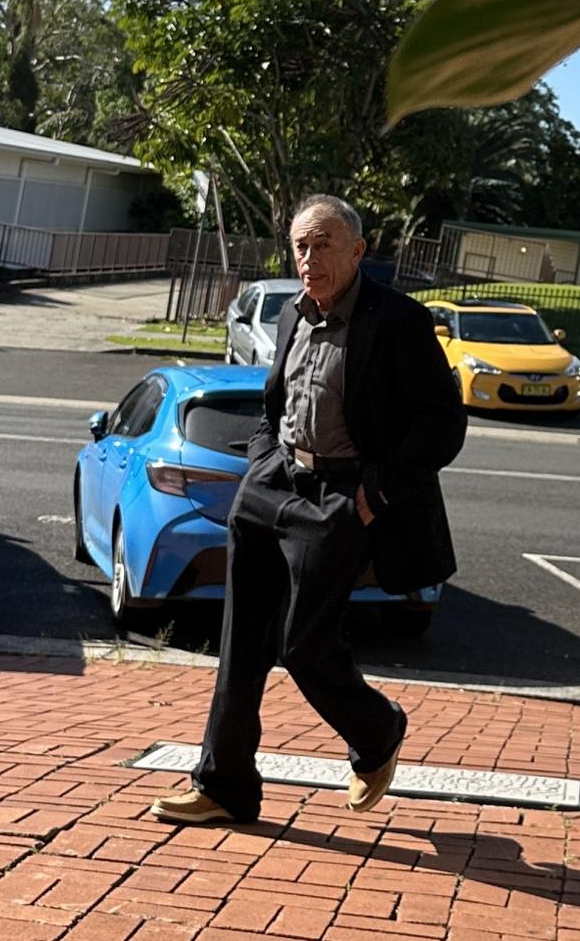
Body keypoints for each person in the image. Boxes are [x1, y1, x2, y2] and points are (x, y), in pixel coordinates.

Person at [151, 194, 467, 825]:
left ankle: (377, 732)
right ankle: (224, 784)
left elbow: (442, 423)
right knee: (239, 644)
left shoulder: (398, 320)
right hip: (274, 484)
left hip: (341, 498)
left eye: (323, 243)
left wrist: (374, 494)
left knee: (302, 647)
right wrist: (264, 459)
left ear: (358, 249)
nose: (309, 257)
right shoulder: (294, 315)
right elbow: (276, 402)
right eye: (300, 245)